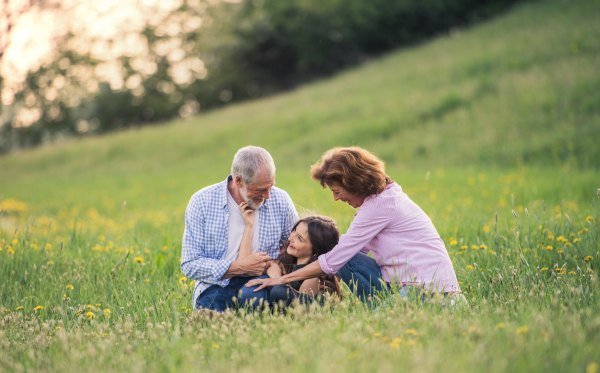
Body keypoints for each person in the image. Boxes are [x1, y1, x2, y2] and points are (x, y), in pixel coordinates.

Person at [247, 147, 461, 304]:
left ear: (355, 183)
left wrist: (281, 279)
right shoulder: (383, 198)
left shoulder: (380, 206)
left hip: (429, 292)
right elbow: (345, 256)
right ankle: (316, 303)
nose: (336, 198)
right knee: (344, 256)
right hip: (407, 286)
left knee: (378, 325)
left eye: (337, 191)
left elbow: (335, 258)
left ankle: (378, 309)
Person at [181, 146, 299, 312]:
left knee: (256, 300)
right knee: (212, 314)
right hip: (218, 284)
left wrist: (274, 265)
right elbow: (190, 264)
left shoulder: (281, 200)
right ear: (239, 181)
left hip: (262, 280)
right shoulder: (202, 202)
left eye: (270, 187)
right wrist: (240, 266)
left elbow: (298, 248)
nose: (267, 196)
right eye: (260, 190)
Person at [262, 216, 342, 307]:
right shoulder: (290, 262)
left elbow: (298, 303)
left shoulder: (314, 276)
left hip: (310, 313)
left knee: (278, 292)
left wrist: (276, 277)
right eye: (294, 231)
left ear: (315, 252)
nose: (290, 238)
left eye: (299, 239)